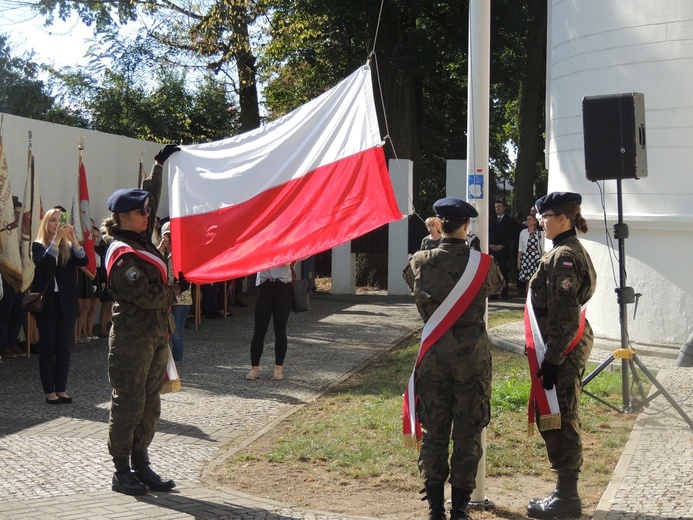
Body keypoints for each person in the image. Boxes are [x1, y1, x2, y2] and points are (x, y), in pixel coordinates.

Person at [408, 197, 504, 519]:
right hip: (471, 363)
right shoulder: (483, 264)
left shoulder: (420, 261)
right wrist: (470, 250)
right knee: (467, 433)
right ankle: (460, 507)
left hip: (434, 360)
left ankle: (435, 508)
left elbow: (412, 276)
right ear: (467, 226)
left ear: (438, 223)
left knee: (434, 432)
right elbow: (498, 286)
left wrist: (433, 243)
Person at [103, 144, 188, 496]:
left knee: (150, 402)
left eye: (147, 211)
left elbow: (149, 193)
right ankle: (121, 470)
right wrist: (177, 289)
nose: (148, 215)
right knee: (129, 401)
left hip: (155, 335)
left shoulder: (140, 237)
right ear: (124, 216)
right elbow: (147, 296)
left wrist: (159, 164)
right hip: (132, 337)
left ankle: (142, 463)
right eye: (141, 212)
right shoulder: (121, 252)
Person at [525, 192, 596, 519]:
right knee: (562, 414)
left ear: (563, 218)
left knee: (561, 417)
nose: (540, 221)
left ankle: (567, 499)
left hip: (561, 350)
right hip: (564, 346)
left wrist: (552, 360)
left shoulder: (563, 257)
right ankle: (564, 493)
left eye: (546, 215)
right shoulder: (570, 251)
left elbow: (565, 316)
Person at [31, 207, 89, 404]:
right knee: (48, 348)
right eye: (53, 220)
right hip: (47, 303)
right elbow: (46, 263)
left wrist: (72, 239)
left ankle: (61, 388)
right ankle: (49, 391)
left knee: (63, 348)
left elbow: (84, 260)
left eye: (59, 220)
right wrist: (56, 239)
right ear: (46, 224)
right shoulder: (38, 246)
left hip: (66, 303)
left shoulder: (66, 247)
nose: (56, 224)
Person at [245, 263, 293, 381]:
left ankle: (278, 370)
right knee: (259, 331)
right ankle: (254, 369)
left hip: (283, 286)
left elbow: (289, 261)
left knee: (280, 330)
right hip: (264, 285)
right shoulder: (261, 244)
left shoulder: (286, 244)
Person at [160, 221, 192, 369]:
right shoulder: (162, 254)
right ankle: (167, 360)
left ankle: (177, 361)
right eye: (165, 238)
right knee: (164, 331)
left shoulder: (182, 254)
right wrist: (161, 246)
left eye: (170, 238)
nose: (168, 241)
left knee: (176, 333)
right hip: (165, 298)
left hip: (181, 299)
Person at [489, 200, 519, 299]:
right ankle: (493, 294)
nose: (497, 208)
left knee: (503, 271)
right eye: (496, 206)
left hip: (504, 250)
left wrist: (503, 245)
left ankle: (504, 294)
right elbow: (487, 233)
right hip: (492, 249)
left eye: (500, 206)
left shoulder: (510, 221)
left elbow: (512, 236)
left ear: (504, 208)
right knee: (492, 272)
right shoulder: (490, 220)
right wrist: (490, 245)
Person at [516, 213, 543, 294]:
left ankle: (536, 297)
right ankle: (528, 298)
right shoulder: (523, 233)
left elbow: (542, 248)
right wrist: (519, 261)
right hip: (526, 257)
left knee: (536, 279)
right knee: (528, 280)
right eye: (527, 219)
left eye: (530, 219)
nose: (528, 221)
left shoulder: (540, 233)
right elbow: (520, 248)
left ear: (535, 221)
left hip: (536, 257)